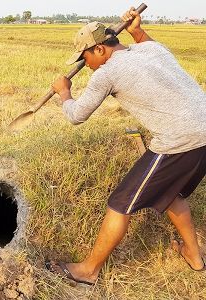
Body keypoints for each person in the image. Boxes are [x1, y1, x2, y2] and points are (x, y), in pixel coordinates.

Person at [46, 7, 206, 285]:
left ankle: (88, 272)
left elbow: (76, 116)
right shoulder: (152, 50)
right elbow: (144, 39)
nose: (86, 64)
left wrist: (64, 93)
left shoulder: (107, 73)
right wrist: (135, 28)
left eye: (84, 57)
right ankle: (194, 255)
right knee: (171, 194)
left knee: (119, 204)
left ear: (98, 50)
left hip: (180, 139)